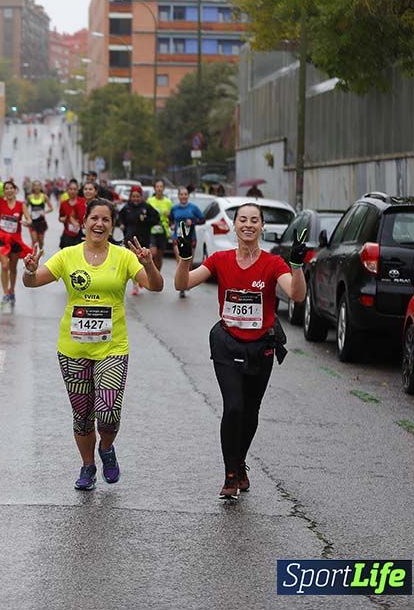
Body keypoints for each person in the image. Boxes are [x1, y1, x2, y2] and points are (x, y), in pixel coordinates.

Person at [22, 198, 164, 490]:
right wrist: (29, 269)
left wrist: (148, 264)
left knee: (108, 412)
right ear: (84, 222)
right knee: (83, 416)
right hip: (73, 348)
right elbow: (32, 282)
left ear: (112, 226)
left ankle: (107, 449)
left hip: (112, 347)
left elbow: (156, 286)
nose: (99, 224)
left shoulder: (124, 257)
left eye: (106, 220)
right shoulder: (67, 256)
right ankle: (88, 466)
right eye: (94, 219)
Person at [173, 204, 307, 499]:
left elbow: (296, 295)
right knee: (233, 406)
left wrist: (297, 267)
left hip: (261, 347)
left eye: (254, 220)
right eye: (242, 220)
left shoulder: (273, 264)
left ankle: (240, 461)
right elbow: (182, 283)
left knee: (250, 411)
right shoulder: (220, 259)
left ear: (261, 227)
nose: (248, 225)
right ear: (234, 226)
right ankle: (230, 473)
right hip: (227, 343)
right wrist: (184, 259)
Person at [0, 169, 33, 306]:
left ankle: (12, 291)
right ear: (4, 191)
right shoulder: (0, 202)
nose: (9, 190)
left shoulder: (21, 205)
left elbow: (29, 218)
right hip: (1, 238)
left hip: (15, 240)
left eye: (11, 188)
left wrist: (27, 222)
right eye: (6, 188)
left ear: (16, 190)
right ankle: (5, 294)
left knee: (13, 268)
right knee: (4, 265)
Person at [117, 186, 161, 296]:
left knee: (142, 262)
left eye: (138, 196)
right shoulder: (126, 207)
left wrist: (146, 220)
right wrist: (121, 225)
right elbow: (119, 218)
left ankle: (143, 279)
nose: (135, 199)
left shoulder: (146, 207)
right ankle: (135, 285)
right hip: (130, 239)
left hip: (144, 239)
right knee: (133, 262)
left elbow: (156, 218)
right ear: (130, 197)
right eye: (133, 196)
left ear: (141, 197)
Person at [169, 187, 206, 298]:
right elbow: (170, 219)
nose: (184, 196)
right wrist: (171, 225)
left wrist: (193, 221)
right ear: (178, 196)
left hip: (191, 238)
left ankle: (185, 281)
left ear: (188, 196)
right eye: (182, 194)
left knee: (188, 263)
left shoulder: (193, 208)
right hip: (178, 237)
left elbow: (202, 219)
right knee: (180, 261)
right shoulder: (174, 208)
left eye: (185, 194)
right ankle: (182, 288)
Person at [146, 179, 174, 271]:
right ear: (154, 188)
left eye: (161, 187)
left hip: (163, 230)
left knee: (159, 256)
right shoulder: (150, 201)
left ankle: (157, 275)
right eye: (157, 187)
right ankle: (151, 272)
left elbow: (172, 217)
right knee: (152, 253)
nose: (159, 189)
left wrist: (169, 215)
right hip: (151, 230)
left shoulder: (168, 202)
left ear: (164, 188)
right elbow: (145, 214)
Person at [27, 180, 54, 252]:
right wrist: (28, 217)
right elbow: (25, 209)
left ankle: (41, 248)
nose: (36, 187)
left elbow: (51, 208)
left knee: (41, 242)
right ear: (33, 187)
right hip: (33, 221)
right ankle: (33, 255)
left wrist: (44, 212)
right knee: (34, 240)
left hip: (41, 222)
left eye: (38, 185)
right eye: (35, 185)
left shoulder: (44, 196)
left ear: (40, 187)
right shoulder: (30, 197)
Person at [58, 179, 86, 249]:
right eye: (70, 189)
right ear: (67, 190)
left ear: (78, 190)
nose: (72, 191)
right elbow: (60, 217)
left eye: (75, 189)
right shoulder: (64, 204)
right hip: (68, 234)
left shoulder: (83, 202)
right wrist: (62, 219)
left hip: (81, 233)